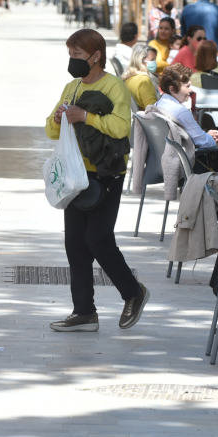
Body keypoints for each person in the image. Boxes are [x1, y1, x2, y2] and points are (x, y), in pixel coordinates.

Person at [43, 28, 147, 332]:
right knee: (74, 244)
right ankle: (84, 311)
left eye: (77, 55)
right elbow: (50, 130)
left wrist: (86, 118)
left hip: (105, 173)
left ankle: (133, 292)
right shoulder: (71, 87)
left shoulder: (115, 86)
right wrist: (59, 118)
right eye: (70, 54)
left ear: (95, 55)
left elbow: (120, 128)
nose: (72, 60)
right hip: (75, 175)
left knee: (98, 239)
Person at [156, 64, 218, 149]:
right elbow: (205, 143)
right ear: (172, 89)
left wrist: (206, 136)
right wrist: (210, 139)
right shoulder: (180, 112)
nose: (191, 90)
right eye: (187, 86)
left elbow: (198, 138)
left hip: (166, 156)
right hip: (182, 158)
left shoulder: (158, 104)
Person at [122, 43, 159, 110]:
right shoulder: (144, 80)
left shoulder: (129, 76)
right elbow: (152, 109)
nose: (155, 63)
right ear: (141, 60)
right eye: (152, 60)